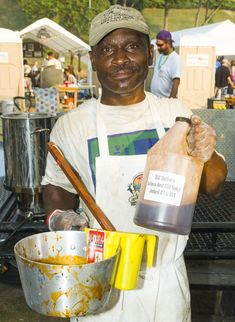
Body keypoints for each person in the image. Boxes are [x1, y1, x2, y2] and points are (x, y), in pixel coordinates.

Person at [42, 5, 227, 322]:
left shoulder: (175, 114)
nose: (120, 59)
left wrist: (205, 154)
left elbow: (213, 185)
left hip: (165, 282)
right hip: (98, 279)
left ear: (151, 53)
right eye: (108, 50)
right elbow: (57, 190)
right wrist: (60, 219)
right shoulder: (72, 126)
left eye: (131, 46)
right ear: (93, 59)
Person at [150, 30, 180, 98]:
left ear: (168, 43)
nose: (158, 47)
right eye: (157, 45)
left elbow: (176, 81)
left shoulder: (175, 59)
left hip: (165, 101)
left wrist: (171, 101)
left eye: (160, 45)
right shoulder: (160, 55)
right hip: (155, 100)